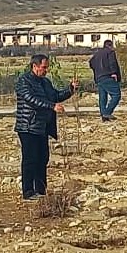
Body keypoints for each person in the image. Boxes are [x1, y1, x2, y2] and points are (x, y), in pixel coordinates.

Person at [14, 54, 79, 201]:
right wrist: (52, 106)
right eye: (44, 67)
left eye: (47, 67)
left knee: (42, 158)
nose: (46, 70)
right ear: (34, 66)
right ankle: (28, 192)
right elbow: (31, 100)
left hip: (42, 126)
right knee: (30, 160)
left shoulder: (45, 82)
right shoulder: (23, 81)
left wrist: (70, 89)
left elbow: (55, 96)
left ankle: (41, 191)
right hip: (27, 126)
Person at [89, 40, 122, 122]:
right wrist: (114, 73)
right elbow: (112, 63)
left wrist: (97, 71)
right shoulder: (110, 52)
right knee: (116, 95)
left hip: (99, 78)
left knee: (103, 97)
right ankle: (107, 112)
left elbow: (91, 63)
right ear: (110, 45)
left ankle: (104, 116)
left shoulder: (97, 54)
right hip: (108, 76)